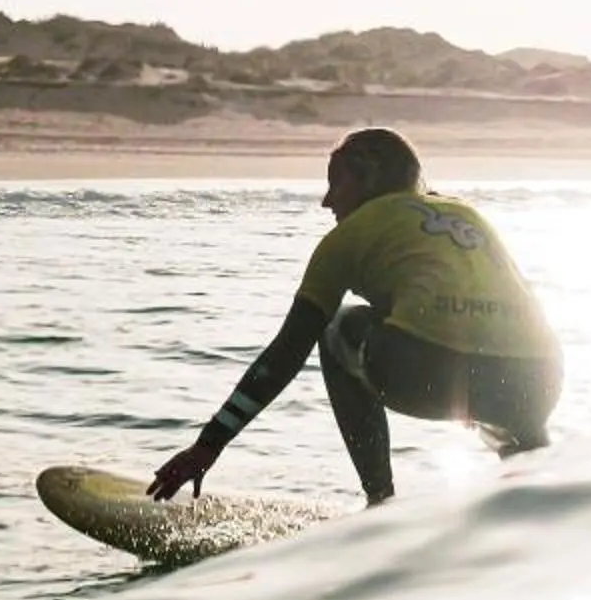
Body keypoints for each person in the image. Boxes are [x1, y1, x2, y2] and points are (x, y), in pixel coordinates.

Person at [148, 127, 561, 505]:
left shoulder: (349, 236)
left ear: (369, 182)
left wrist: (209, 444)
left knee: (335, 330)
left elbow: (287, 352)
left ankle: (380, 501)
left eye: (335, 183)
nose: (327, 200)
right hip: (540, 381)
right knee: (504, 414)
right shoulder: (467, 215)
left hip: (431, 370)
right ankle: (538, 487)